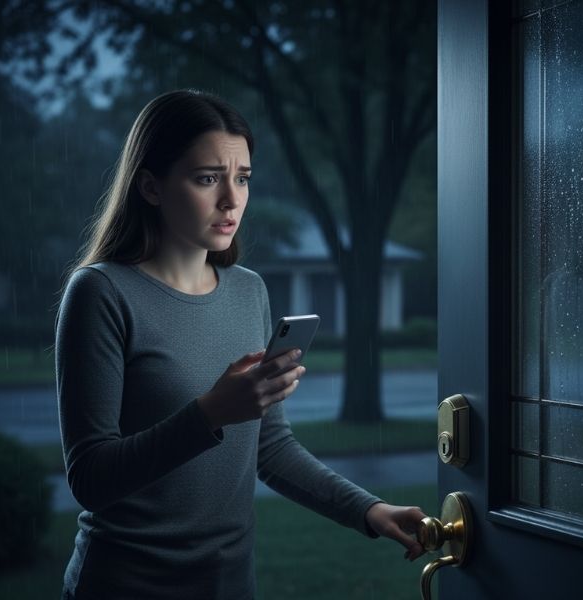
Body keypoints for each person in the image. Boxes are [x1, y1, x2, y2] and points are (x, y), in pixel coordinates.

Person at [55, 88, 428, 600]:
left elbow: (269, 448)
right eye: (207, 178)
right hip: (124, 584)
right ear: (151, 186)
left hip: (228, 584)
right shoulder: (101, 292)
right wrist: (210, 413)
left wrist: (366, 509)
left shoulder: (249, 290)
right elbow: (91, 477)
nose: (232, 199)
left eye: (243, 178)